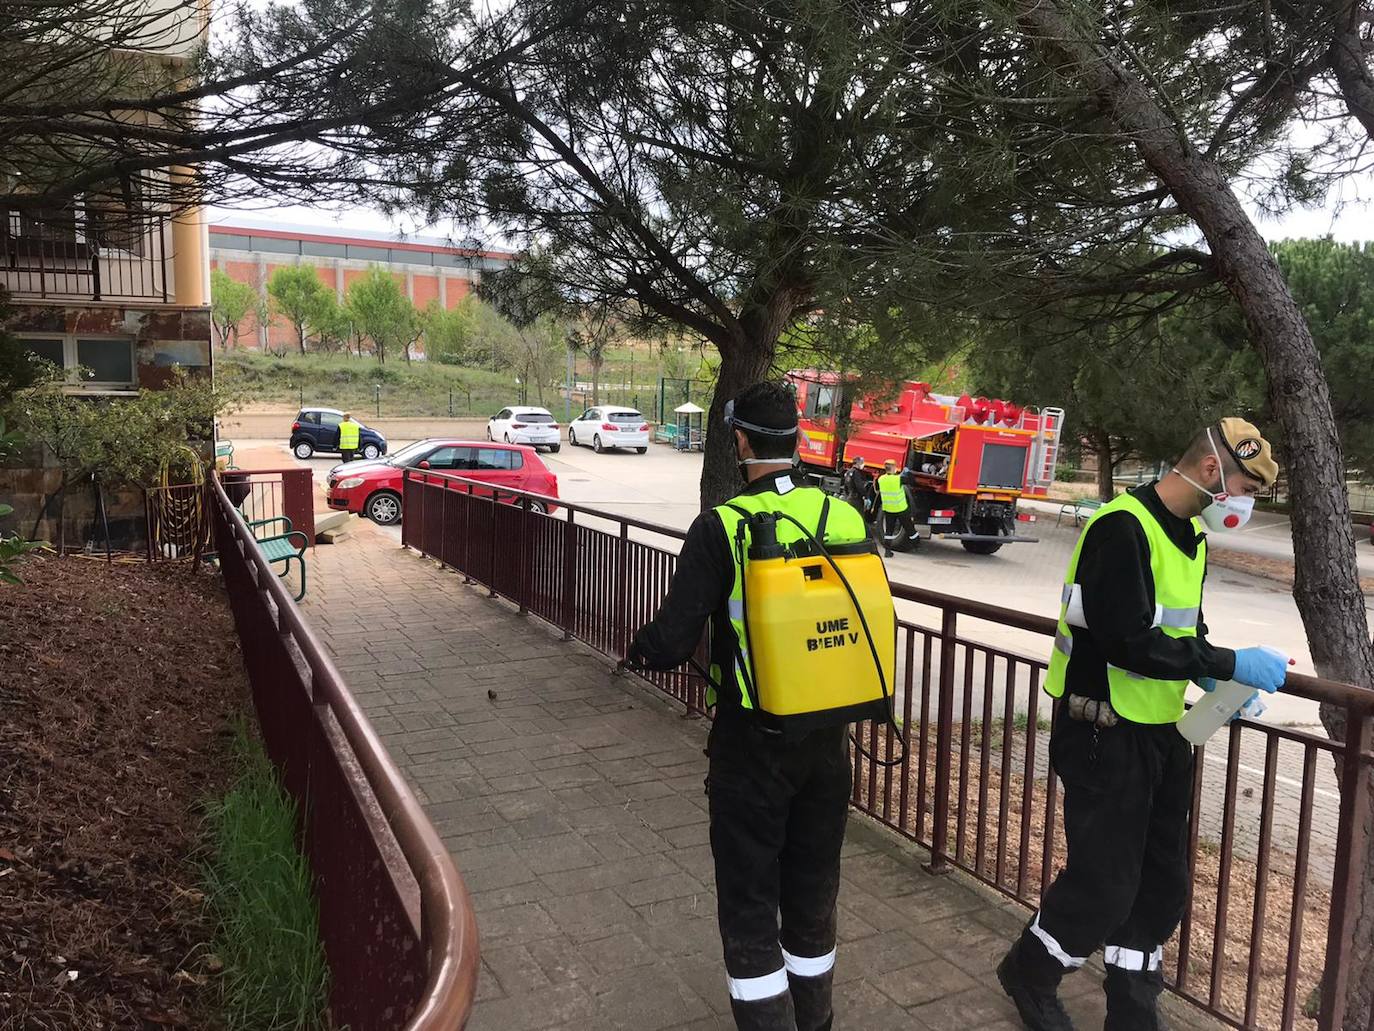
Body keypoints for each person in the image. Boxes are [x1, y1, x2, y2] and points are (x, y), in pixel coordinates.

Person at [996, 419, 1286, 1031]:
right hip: (1102, 731)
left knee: (1160, 881)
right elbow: (1128, 641)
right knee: (1105, 883)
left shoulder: (1192, 539)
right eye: (1245, 487)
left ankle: (1132, 1006)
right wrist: (1231, 662)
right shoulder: (1121, 529)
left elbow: (1184, 632)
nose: (1245, 504)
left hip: (1160, 731)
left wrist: (1214, 677)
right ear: (1212, 472)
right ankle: (1030, 970)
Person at [627, 382, 872, 1031]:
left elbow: (674, 637)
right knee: (812, 898)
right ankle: (814, 1020)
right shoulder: (844, 517)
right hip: (828, 743)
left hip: (752, 745)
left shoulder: (722, 526)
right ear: (796, 439)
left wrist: (641, 650)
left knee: (749, 906)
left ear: (740, 442)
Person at [877, 458, 918, 558]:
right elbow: (912, 481)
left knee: (889, 531)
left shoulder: (881, 479)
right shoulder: (898, 479)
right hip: (900, 509)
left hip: (888, 509)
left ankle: (887, 551)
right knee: (910, 528)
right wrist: (908, 472)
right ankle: (916, 545)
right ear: (894, 468)